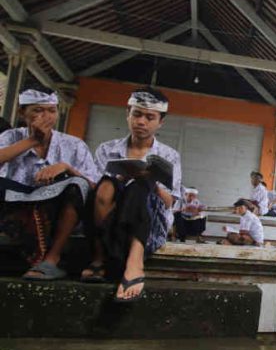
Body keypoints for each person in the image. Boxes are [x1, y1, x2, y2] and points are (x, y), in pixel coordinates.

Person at [83, 87, 182, 303]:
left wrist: (152, 183)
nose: (141, 122)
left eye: (150, 117)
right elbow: (95, 194)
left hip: (150, 225)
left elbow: (170, 203)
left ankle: (134, 263)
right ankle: (99, 257)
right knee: (106, 183)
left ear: (160, 122)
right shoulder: (106, 149)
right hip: (110, 220)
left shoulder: (169, 156)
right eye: (136, 114)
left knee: (141, 185)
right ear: (127, 114)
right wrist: (121, 178)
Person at [0, 88, 99, 280]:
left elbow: (93, 188)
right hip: (18, 207)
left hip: (57, 209)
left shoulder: (74, 145)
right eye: (38, 110)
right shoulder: (10, 137)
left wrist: (66, 168)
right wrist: (32, 140)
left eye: (51, 111)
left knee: (77, 184)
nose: (46, 117)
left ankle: (52, 259)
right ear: (22, 113)